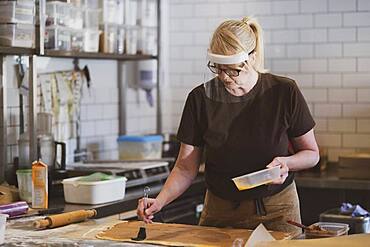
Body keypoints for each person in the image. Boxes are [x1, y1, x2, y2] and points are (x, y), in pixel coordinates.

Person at [136, 16, 319, 236]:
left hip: (277, 211)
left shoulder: (283, 92)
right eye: (217, 68)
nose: (223, 77)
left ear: (251, 58)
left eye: (232, 69)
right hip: (219, 212)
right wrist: (160, 201)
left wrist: (286, 163)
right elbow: (185, 167)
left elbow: (311, 153)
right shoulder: (200, 99)